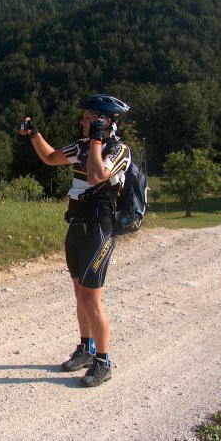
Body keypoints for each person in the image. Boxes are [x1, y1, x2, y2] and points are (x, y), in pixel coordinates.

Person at [20, 94, 131, 387]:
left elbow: (97, 175)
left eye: (88, 117)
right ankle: (85, 348)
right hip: (77, 226)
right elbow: (50, 157)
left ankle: (103, 362)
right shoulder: (83, 146)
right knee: (79, 293)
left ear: (103, 121)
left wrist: (96, 140)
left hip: (99, 228)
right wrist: (34, 134)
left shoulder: (119, 150)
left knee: (90, 299)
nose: (82, 121)